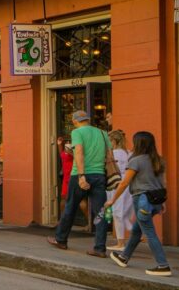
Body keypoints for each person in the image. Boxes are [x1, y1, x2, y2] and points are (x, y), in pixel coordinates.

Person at [106, 131, 172, 277]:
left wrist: (113, 199)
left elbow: (124, 183)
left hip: (142, 200)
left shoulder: (136, 160)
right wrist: (163, 202)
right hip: (156, 200)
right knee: (137, 230)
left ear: (138, 144)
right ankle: (124, 257)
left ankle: (163, 265)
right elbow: (163, 183)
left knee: (149, 232)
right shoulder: (159, 160)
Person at [48, 110, 110, 257]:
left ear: (75, 121)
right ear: (88, 119)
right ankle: (100, 248)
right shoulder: (103, 133)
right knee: (101, 212)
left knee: (70, 206)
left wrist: (82, 176)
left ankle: (61, 239)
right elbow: (109, 156)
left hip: (80, 175)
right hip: (99, 174)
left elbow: (79, 152)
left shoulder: (77, 132)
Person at [107, 129, 132, 251]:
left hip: (116, 183)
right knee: (124, 214)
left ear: (114, 141)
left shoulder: (113, 154)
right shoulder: (128, 153)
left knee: (117, 214)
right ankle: (137, 234)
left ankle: (120, 243)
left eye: (109, 140)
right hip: (128, 184)